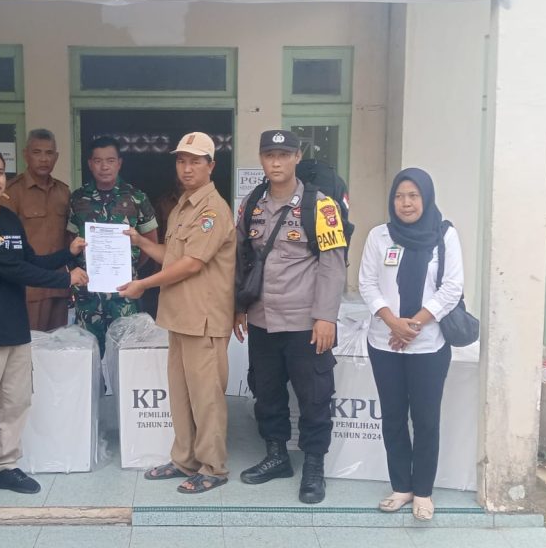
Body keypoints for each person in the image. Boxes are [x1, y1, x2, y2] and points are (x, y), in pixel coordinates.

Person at [0, 146, 88, 514]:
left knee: (14, 404)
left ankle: (4, 468)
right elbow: (10, 269)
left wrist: (68, 253)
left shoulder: (9, 220)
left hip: (15, 328)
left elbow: (29, 260)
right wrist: (65, 278)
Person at [233, 130, 347, 504]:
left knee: (314, 396)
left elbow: (333, 264)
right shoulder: (251, 204)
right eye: (270, 155)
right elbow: (240, 258)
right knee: (266, 391)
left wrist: (326, 317)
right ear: (261, 159)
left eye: (284, 155)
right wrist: (238, 306)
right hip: (262, 319)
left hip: (306, 322)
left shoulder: (322, 206)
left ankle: (314, 465)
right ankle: (277, 456)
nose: (276, 162)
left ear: (297, 157)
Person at [118, 132, 235, 494]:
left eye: (195, 161)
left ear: (211, 166)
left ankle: (213, 467)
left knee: (207, 398)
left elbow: (191, 264)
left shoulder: (212, 210)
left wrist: (143, 284)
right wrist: (141, 242)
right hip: (179, 318)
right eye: (182, 161)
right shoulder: (183, 205)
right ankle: (184, 459)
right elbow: (172, 256)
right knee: (182, 396)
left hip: (203, 320)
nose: (187, 168)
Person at [357, 167, 463, 521]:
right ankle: (401, 486)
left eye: (413, 196)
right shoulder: (379, 235)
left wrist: (413, 324)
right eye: (400, 196)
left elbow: (451, 288)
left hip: (428, 345)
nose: (406, 203)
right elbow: (367, 283)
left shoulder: (445, 235)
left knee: (426, 419)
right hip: (384, 343)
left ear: (426, 198)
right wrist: (392, 322)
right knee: (393, 418)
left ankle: (424, 492)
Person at [67, 136, 158, 355]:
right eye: (98, 161)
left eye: (110, 160)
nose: (104, 166)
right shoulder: (78, 199)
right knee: (89, 355)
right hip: (88, 294)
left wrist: (129, 267)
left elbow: (150, 243)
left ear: (119, 163)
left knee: (125, 355)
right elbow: (69, 241)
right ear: (90, 164)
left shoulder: (136, 198)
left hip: (124, 293)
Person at [2, 129, 71, 331]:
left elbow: (69, 236)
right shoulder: (12, 192)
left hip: (59, 284)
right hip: (28, 287)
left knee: (59, 343)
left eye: (49, 153)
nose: (43, 159)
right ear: (26, 155)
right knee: (30, 343)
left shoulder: (63, 192)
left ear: (56, 157)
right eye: (37, 152)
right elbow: (5, 244)